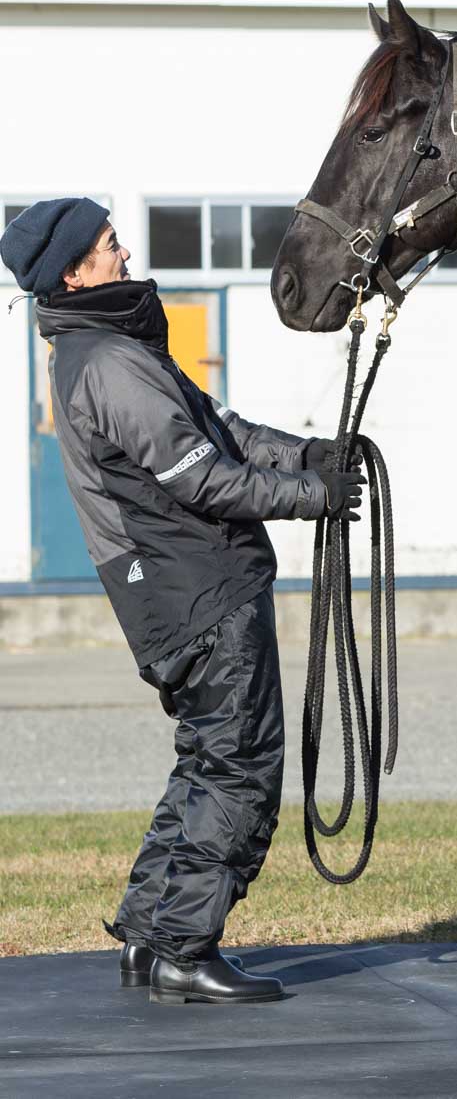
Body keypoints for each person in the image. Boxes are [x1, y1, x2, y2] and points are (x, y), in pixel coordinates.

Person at [2, 198, 363, 1005]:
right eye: (109, 244)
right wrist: (313, 497)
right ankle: (184, 947)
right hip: (198, 592)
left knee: (206, 760)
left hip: (183, 592)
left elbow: (219, 430)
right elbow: (205, 479)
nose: (125, 252)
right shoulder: (108, 362)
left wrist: (308, 454)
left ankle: (148, 935)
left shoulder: (111, 350)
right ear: (74, 273)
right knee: (240, 768)